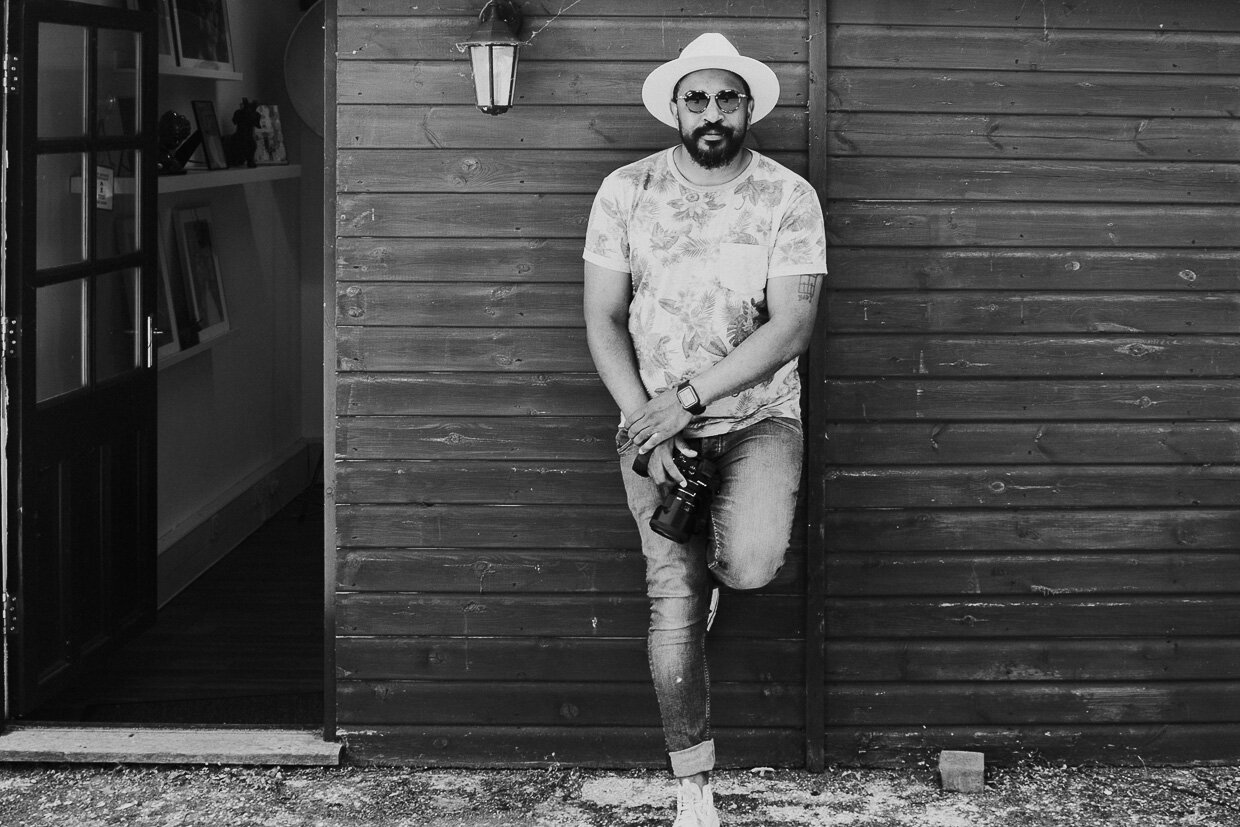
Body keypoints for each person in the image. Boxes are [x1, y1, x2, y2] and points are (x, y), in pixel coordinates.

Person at [581, 32, 826, 827]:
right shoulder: (627, 189)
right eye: (698, 99)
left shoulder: (788, 195)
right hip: (653, 428)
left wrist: (685, 399)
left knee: (749, 565)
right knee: (671, 602)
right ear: (676, 108)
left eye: (728, 98)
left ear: (748, 106)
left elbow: (790, 327)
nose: (713, 113)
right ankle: (693, 786)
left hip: (757, 419)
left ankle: (716, 556)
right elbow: (602, 316)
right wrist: (646, 422)